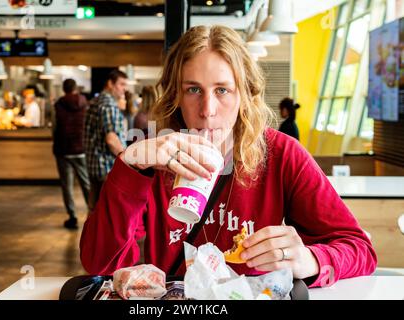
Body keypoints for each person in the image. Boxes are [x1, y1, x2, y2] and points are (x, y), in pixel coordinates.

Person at [80, 25, 376, 287]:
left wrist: (308, 259)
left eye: (222, 90)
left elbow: (359, 248)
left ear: (245, 95)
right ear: (175, 96)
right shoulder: (153, 161)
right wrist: (130, 167)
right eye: (193, 89)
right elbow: (100, 264)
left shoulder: (281, 154)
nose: (207, 110)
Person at [84, 69, 128, 213]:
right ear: (110, 83)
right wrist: (127, 160)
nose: (124, 89)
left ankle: (90, 236)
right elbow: (111, 140)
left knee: (94, 211)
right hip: (106, 167)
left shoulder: (96, 101)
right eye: (121, 84)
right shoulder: (108, 104)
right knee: (106, 214)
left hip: (94, 166)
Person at [53, 79, 90, 229]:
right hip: (81, 149)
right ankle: (93, 213)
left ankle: (72, 216)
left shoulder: (59, 104)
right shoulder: (85, 104)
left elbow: (55, 127)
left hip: (63, 150)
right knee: (86, 184)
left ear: (64, 89)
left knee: (67, 185)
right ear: (76, 88)